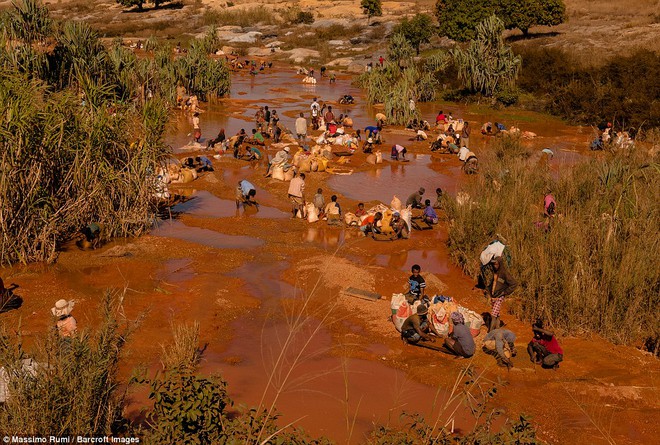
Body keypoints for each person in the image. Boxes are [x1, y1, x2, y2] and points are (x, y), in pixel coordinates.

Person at [488, 255, 518, 331]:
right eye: (494, 264)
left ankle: (491, 331)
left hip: (499, 296)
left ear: (500, 264)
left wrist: (505, 292)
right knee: (496, 314)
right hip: (494, 296)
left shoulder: (504, 273)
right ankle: (497, 328)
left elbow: (514, 283)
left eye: (496, 264)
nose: (495, 266)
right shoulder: (495, 272)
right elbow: (493, 283)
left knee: (493, 314)